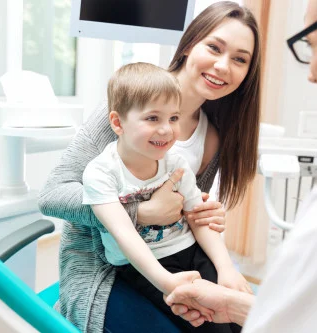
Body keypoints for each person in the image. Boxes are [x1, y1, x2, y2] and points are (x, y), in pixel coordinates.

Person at [165, 0, 317, 332]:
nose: (310, 74)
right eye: (215, 48)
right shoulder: (131, 101)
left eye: (310, 43)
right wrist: (236, 305)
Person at [38, 2, 261, 332]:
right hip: (105, 268)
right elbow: (52, 195)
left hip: (176, 256)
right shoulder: (132, 105)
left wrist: (205, 218)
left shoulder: (212, 136)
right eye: (214, 47)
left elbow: (183, 213)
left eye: (240, 59)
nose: (223, 66)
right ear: (188, 44)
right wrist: (142, 212)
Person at [83, 62, 251, 333]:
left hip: (190, 251)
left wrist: (226, 268)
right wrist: (167, 282)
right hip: (143, 265)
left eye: (173, 118)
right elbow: (124, 235)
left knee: (245, 321)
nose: (166, 130)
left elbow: (197, 217)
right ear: (117, 122)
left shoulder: (175, 161)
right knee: (212, 327)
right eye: (153, 118)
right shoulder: (101, 172)